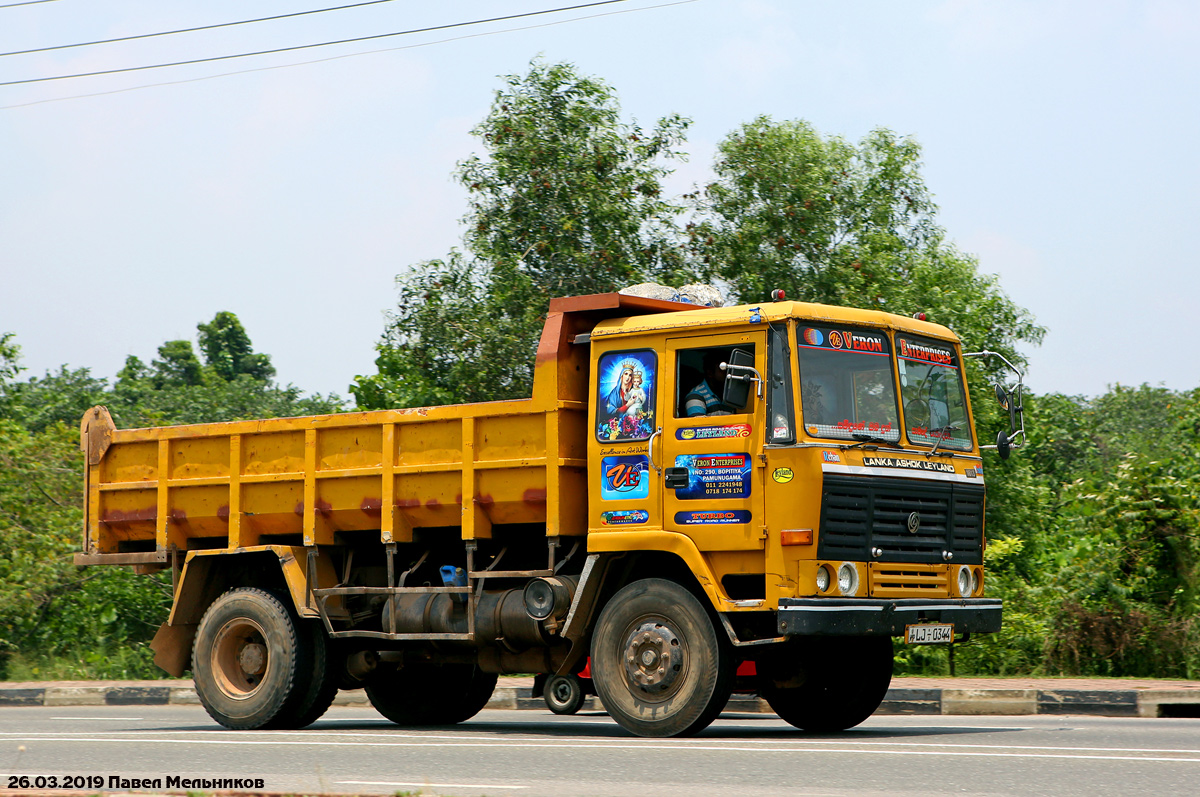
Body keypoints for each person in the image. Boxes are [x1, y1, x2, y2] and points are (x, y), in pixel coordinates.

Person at [684, 352, 731, 417]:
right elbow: (698, 426)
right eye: (723, 369)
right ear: (710, 373)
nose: (727, 373)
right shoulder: (696, 396)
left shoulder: (730, 395)